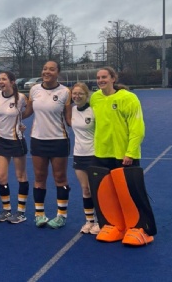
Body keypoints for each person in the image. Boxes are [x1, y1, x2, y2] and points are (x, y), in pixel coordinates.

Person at [88, 67, 155, 245]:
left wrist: (130, 152)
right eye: (98, 78)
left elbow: (137, 127)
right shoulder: (95, 98)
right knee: (107, 193)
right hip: (102, 153)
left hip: (123, 154)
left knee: (130, 193)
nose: (100, 80)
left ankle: (141, 228)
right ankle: (116, 226)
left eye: (104, 77)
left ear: (113, 78)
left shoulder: (128, 98)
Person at [23, 60, 72, 229]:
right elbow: (27, 112)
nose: (47, 72)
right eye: (44, 69)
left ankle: (61, 216)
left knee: (60, 178)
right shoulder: (34, 90)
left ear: (58, 72)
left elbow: (69, 119)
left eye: (51, 69)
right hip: (38, 140)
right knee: (39, 178)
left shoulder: (65, 92)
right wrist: (9, 115)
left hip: (59, 140)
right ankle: (39, 214)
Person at [0, 71, 30, 224]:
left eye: (4, 79)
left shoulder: (21, 98)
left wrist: (20, 121)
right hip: (2, 141)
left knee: (21, 176)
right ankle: (7, 210)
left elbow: (29, 110)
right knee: (1, 176)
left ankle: (21, 212)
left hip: (17, 141)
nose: (1, 82)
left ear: (12, 82)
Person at [70, 82, 100, 234]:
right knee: (85, 189)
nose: (77, 96)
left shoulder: (93, 110)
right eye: (74, 93)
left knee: (97, 190)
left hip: (94, 155)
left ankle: (101, 221)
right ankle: (89, 221)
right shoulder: (72, 110)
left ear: (87, 95)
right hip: (78, 155)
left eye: (80, 93)